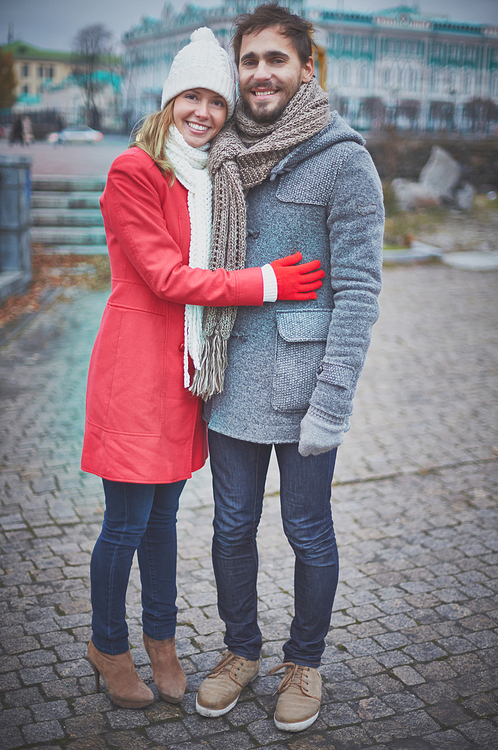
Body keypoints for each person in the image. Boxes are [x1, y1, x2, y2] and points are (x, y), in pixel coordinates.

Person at [81, 27, 324, 711]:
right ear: (169, 102)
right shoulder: (136, 170)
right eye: (191, 97)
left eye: (216, 102)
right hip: (136, 369)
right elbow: (165, 277)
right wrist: (266, 284)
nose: (204, 112)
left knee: (162, 519)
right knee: (125, 522)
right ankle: (108, 642)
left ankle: (161, 639)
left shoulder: (206, 177)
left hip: (184, 371)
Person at [194, 4, 384, 733]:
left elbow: (361, 290)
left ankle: (304, 661)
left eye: (276, 59)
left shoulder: (345, 159)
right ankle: (240, 652)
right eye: (249, 61)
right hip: (231, 381)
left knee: (309, 530)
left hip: (307, 389)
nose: (261, 74)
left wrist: (334, 399)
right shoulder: (219, 152)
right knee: (231, 528)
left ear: (308, 67)